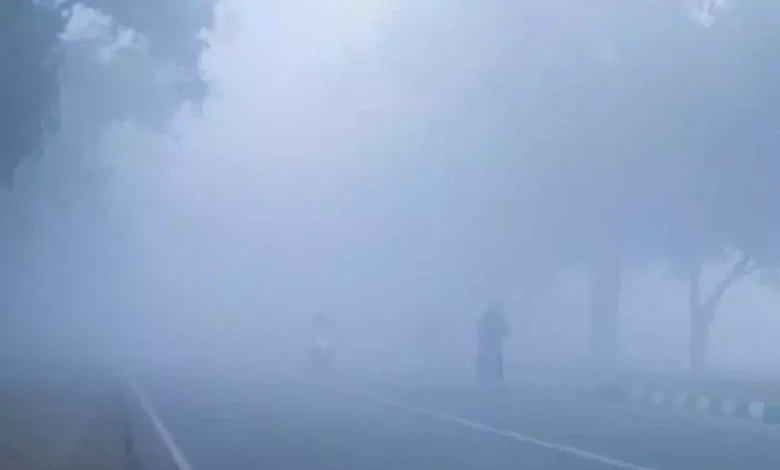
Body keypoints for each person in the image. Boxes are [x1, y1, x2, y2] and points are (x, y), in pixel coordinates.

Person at [476, 303, 510, 387]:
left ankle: (495, 381)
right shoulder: (490, 318)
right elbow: (507, 331)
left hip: (492, 344)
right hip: (489, 344)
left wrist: (500, 333)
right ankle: (485, 379)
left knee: (495, 361)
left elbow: (507, 331)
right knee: (487, 360)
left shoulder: (492, 318)